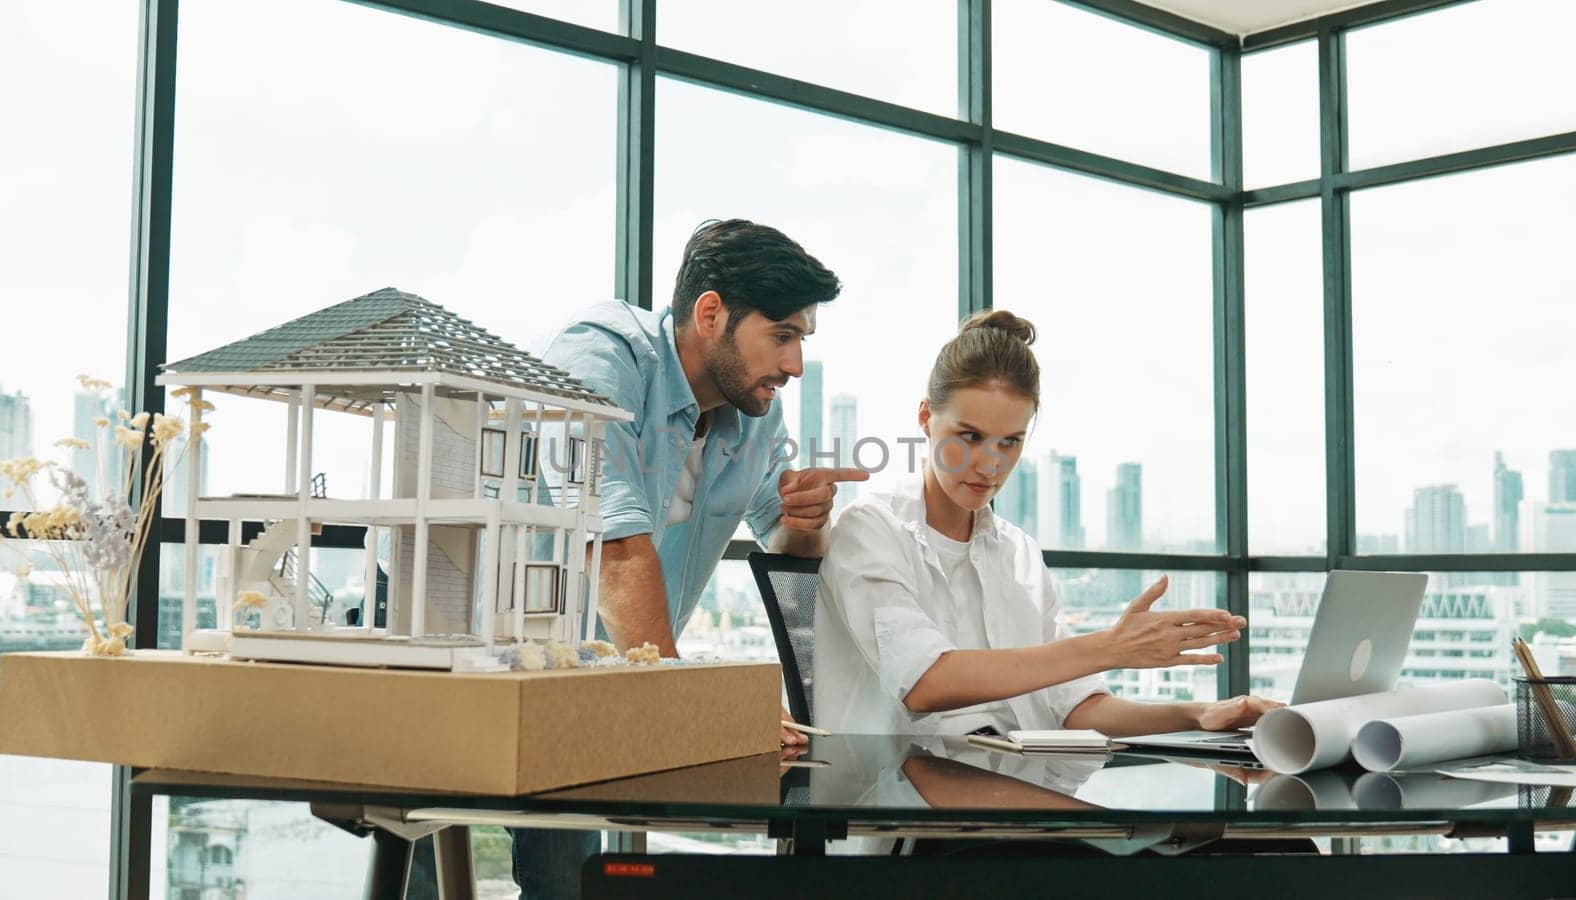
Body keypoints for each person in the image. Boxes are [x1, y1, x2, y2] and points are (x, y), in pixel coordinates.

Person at [507, 219, 867, 899]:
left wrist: (806, 522)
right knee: (419, 854)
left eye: (801, 341)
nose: (793, 365)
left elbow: (783, 545)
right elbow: (615, 548)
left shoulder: (755, 414)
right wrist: (702, 708)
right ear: (710, 315)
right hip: (451, 634)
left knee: (562, 880)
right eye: (782, 336)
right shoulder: (598, 356)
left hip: (581, 665)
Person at [813, 309, 1279, 743]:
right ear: (925, 419)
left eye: (1010, 442)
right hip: (905, 803)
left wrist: (1197, 715)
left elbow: (1075, 707)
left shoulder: (1018, 553)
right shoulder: (870, 530)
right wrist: (1111, 647)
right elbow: (924, 682)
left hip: (1015, 793)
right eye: (969, 436)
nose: (989, 464)